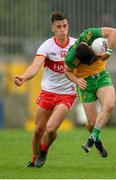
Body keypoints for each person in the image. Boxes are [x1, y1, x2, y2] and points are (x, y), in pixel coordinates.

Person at [13, 11, 77, 167]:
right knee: (38, 130)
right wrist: (24, 77)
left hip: (67, 94)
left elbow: (90, 60)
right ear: (53, 28)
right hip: (48, 92)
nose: (63, 29)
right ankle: (34, 159)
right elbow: (35, 66)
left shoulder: (76, 45)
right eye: (59, 27)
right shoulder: (47, 46)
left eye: (65, 26)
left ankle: (44, 150)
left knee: (50, 128)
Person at [64, 27, 116, 157]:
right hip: (85, 84)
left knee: (109, 105)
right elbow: (67, 71)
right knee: (91, 124)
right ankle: (97, 140)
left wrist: (108, 52)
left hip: (101, 77)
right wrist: (77, 80)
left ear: (90, 47)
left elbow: (114, 32)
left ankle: (91, 139)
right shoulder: (71, 58)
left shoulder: (90, 35)